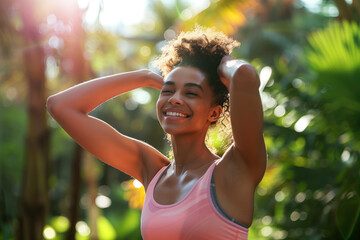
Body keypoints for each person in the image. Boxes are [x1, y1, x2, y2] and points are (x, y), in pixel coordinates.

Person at [47, 27, 267, 240]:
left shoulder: (234, 172)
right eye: (168, 90)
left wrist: (221, 62)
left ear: (213, 112)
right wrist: (144, 77)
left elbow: (244, 75)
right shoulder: (152, 171)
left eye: (191, 93)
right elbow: (60, 106)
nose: (175, 99)